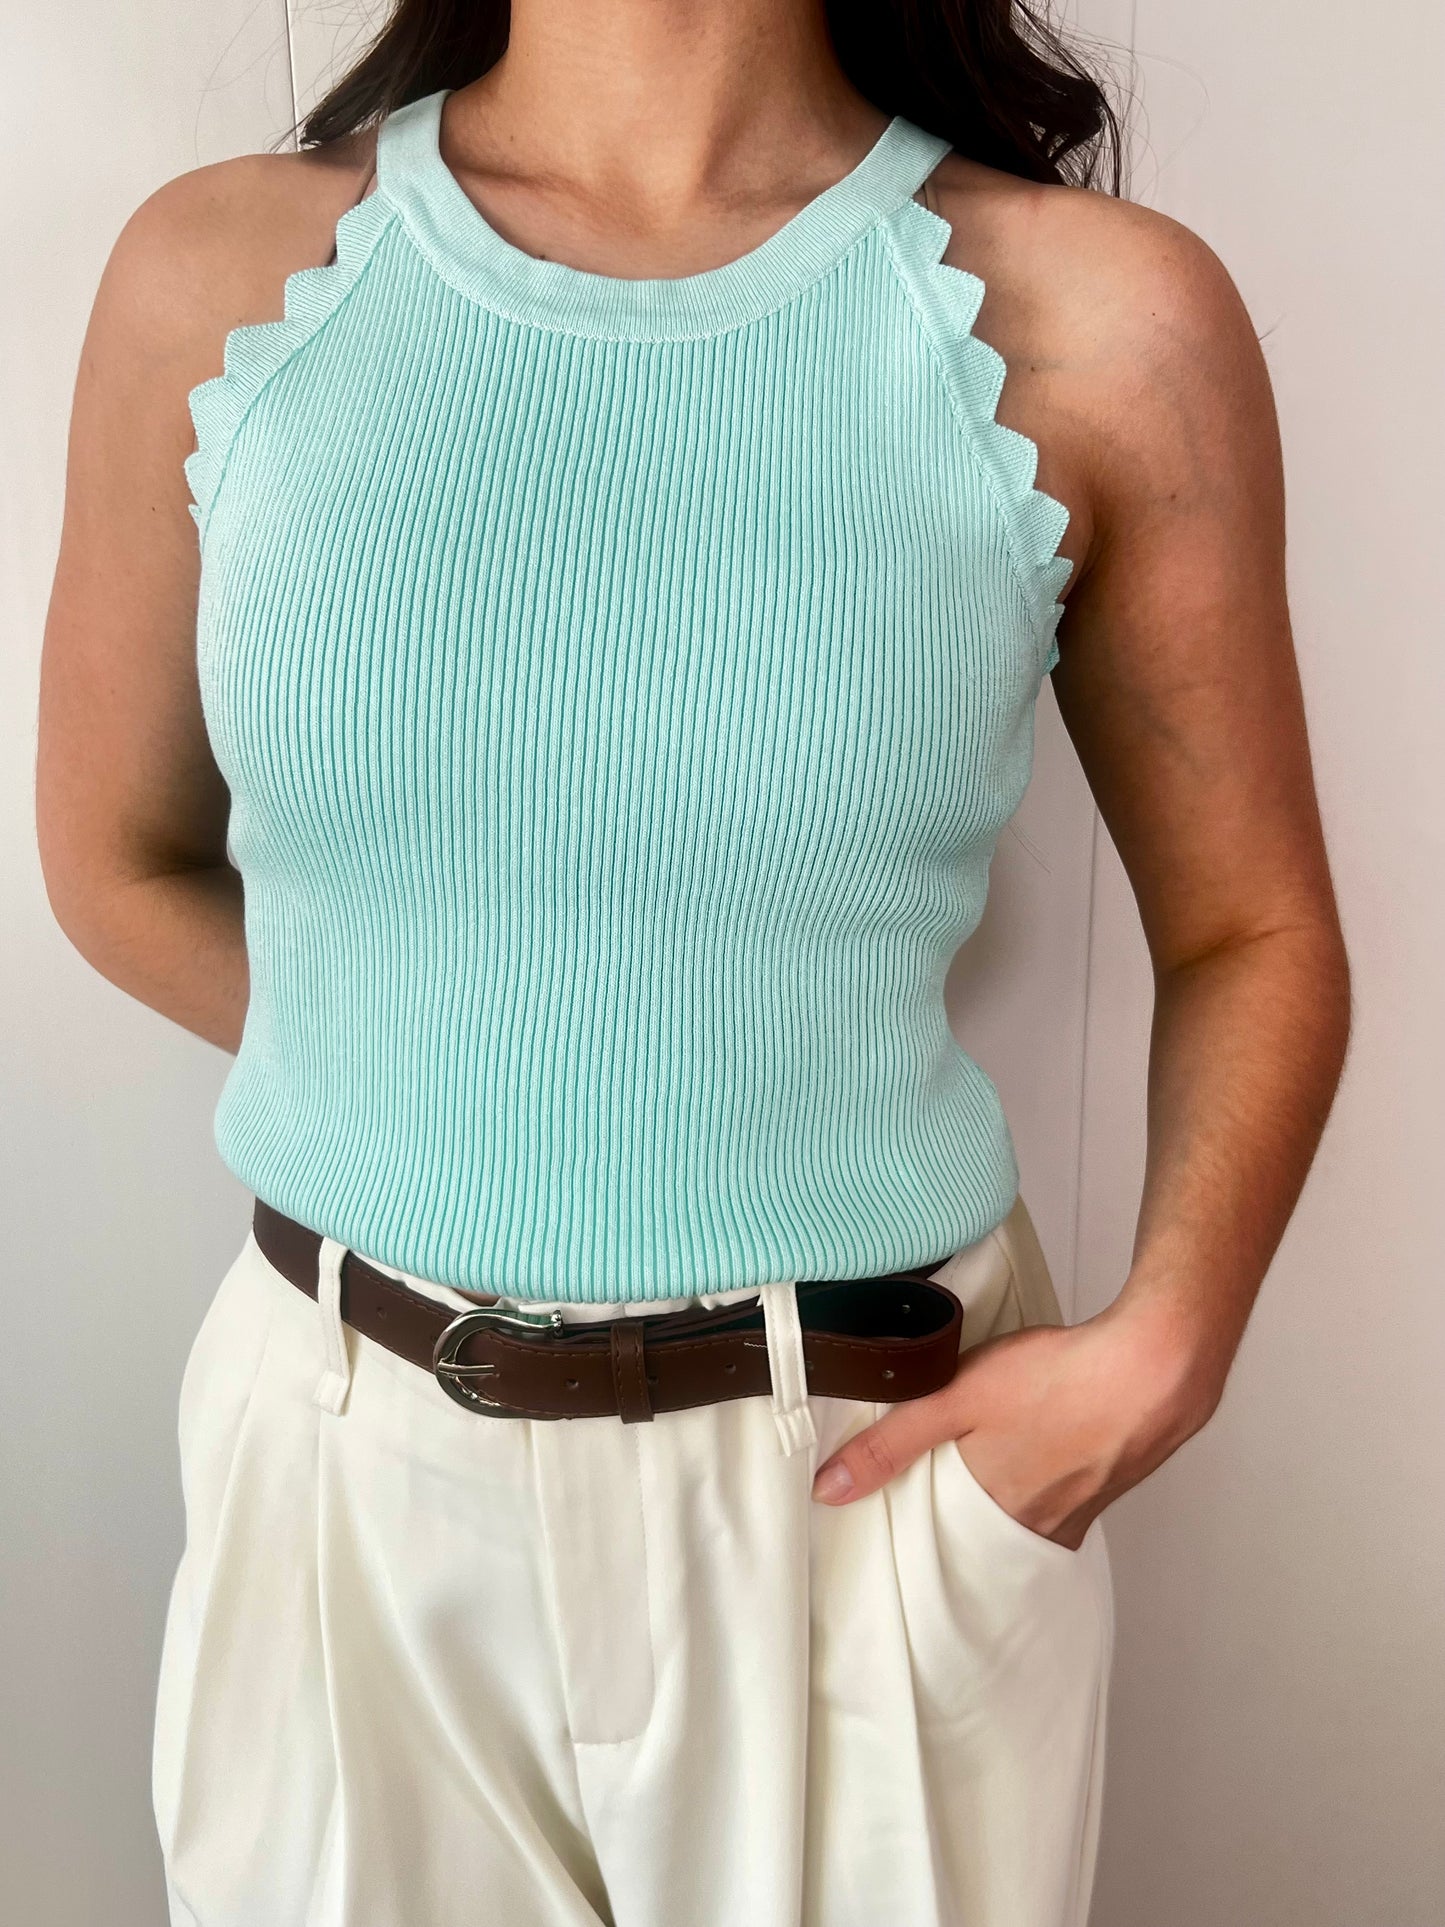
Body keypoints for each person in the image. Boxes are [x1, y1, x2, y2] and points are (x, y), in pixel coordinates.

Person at [34, 1, 1351, 1922]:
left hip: (872, 1486)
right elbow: (110, 861)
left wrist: (1169, 1350)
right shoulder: (221, 275)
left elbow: (1252, 928)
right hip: (341, 1477)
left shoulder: (1099, 318)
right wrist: (503, 1077)